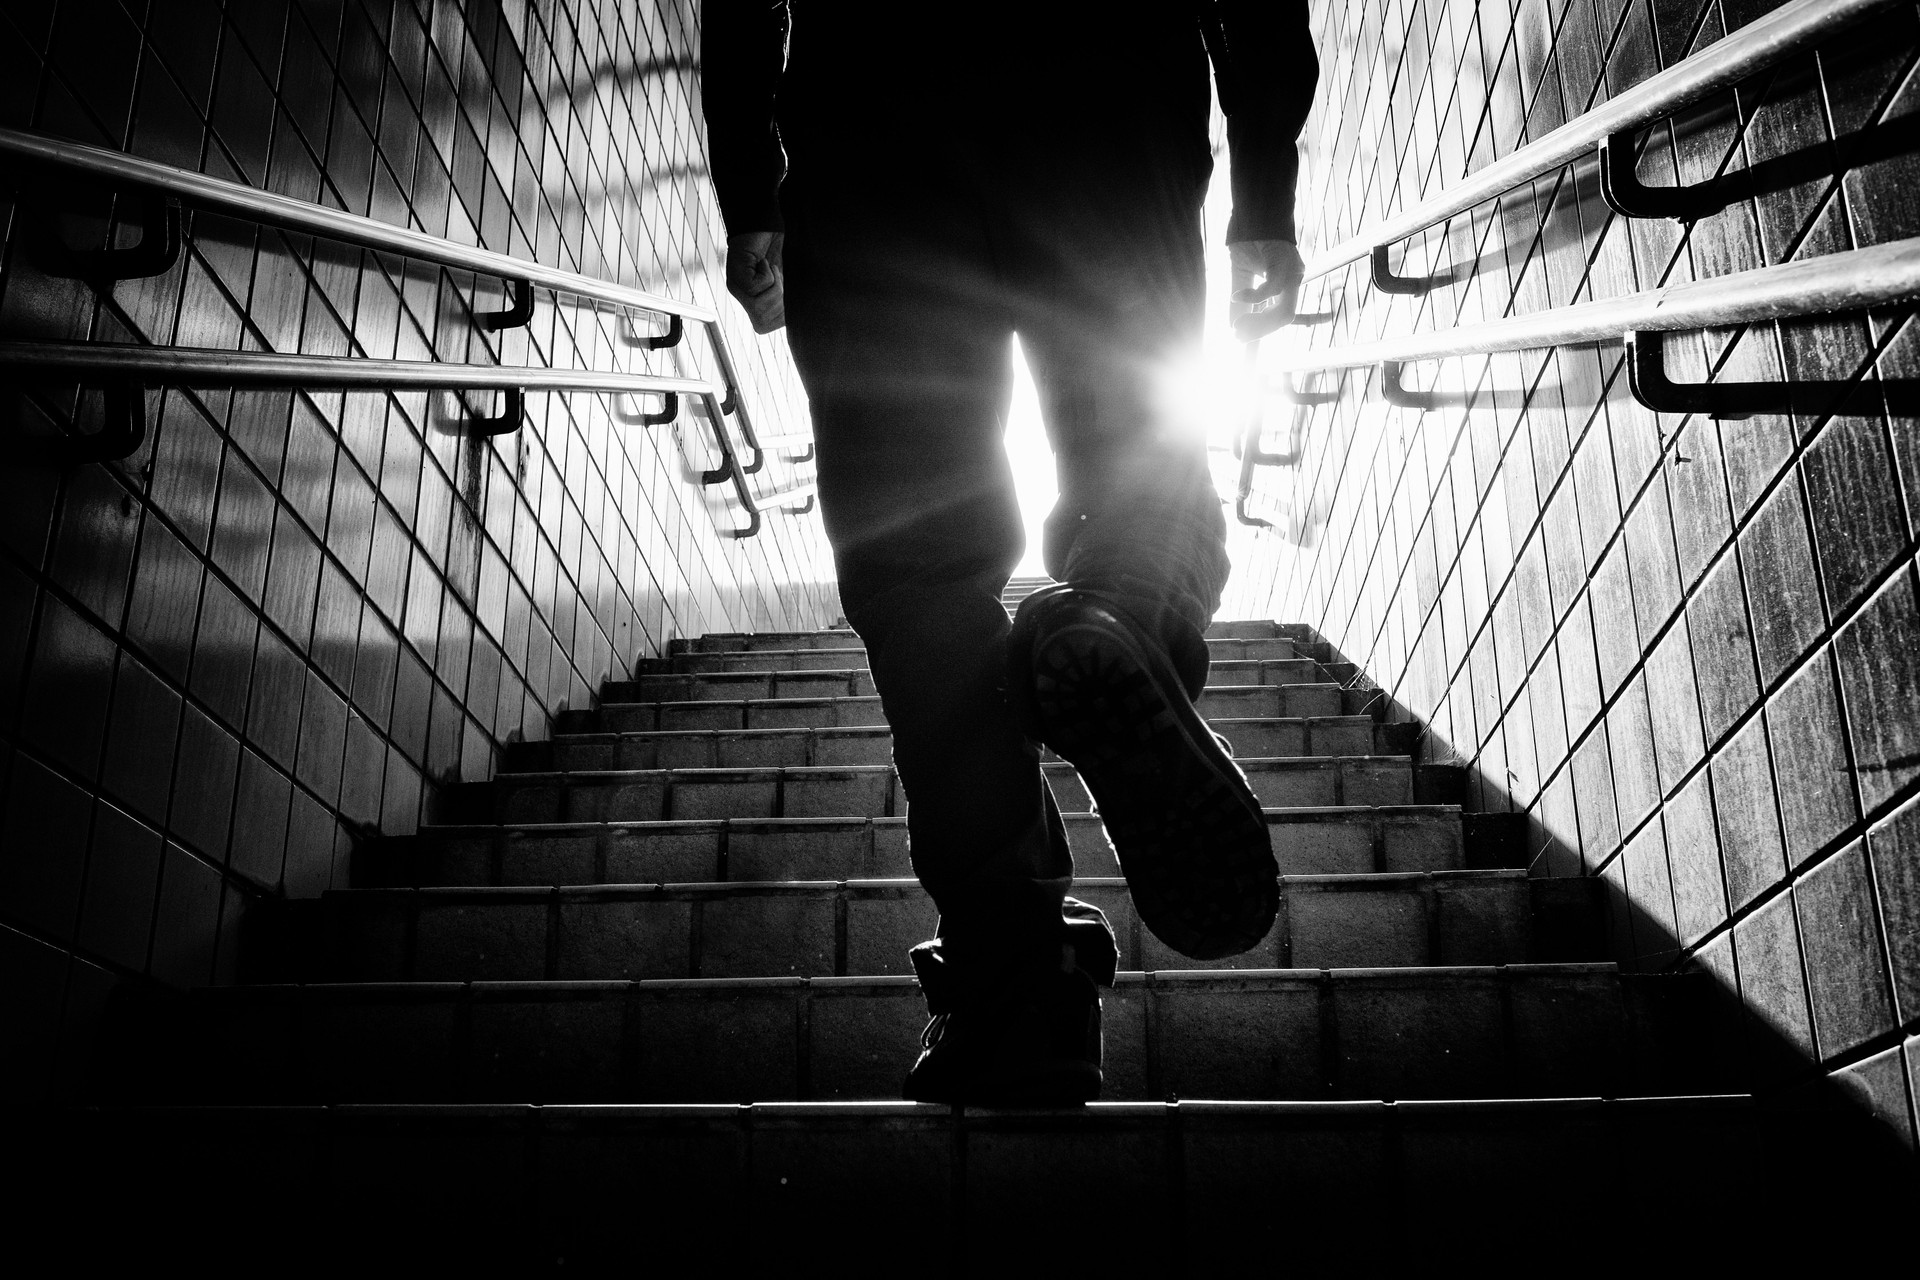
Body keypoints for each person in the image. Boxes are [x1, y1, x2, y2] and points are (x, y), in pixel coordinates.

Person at [703, 1, 1317, 1104]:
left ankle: (1014, 980)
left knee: (918, 562)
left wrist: (751, 184)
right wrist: (1264, 170)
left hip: (872, 126)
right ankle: (1122, 611)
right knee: (1141, 452)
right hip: (1109, 92)